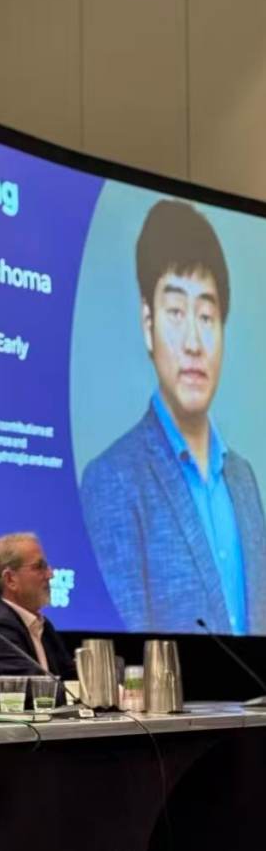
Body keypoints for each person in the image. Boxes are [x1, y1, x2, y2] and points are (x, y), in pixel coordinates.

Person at [80, 199, 266, 634]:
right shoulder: (113, 478)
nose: (193, 342)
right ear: (148, 323)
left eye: (206, 315)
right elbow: (126, 641)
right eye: (177, 313)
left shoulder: (243, 478)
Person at [0, 533, 74, 712]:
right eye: (39, 567)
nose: (50, 574)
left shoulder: (44, 627)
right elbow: (41, 694)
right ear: (10, 580)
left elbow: (72, 680)